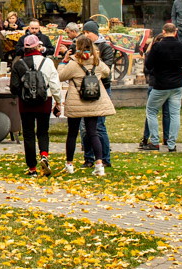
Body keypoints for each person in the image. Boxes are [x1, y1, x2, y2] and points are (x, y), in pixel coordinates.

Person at [57, 36, 115, 176]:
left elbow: (60, 76)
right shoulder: (97, 62)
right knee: (93, 133)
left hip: (76, 102)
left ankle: (69, 164)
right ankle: (99, 165)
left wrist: (63, 61)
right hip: (93, 102)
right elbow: (107, 72)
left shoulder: (73, 63)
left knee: (72, 133)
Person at [10, 34, 61, 177]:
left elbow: (14, 87)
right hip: (44, 100)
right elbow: (55, 84)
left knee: (28, 133)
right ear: (38, 46)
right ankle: (44, 155)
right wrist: (58, 101)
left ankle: (32, 168)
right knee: (43, 131)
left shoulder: (18, 64)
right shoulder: (48, 62)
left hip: (25, 103)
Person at [142, 22, 182, 152]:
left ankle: (154, 141)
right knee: (175, 113)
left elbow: (148, 64)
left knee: (151, 111)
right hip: (177, 84)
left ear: (163, 32)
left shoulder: (158, 46)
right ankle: (171, 144)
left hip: (160, 84)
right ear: (175, 32)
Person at [79, 20, 116, 168]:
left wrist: (93, 60)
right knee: (85, 127)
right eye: (85, 33)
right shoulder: (81, 46)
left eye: (89, 33)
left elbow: (106, 69)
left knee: (99, 126)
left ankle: (105, 158)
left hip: (101, 88)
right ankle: (88, 158)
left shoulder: (105, 47)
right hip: (84, 90)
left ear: (95, 33)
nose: (86, 35)